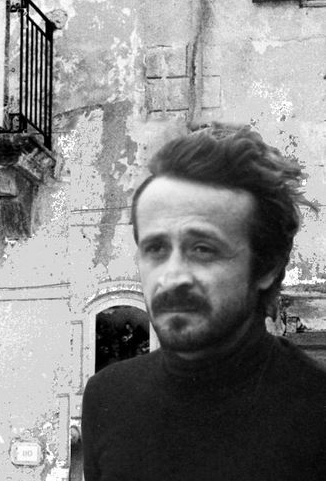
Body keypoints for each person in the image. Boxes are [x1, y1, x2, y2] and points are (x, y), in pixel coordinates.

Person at [82, 123, 326, 481]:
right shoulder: (107, 398)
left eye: (203, 249)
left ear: (267, 267)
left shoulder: (316, 410)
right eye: (156, 248)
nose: (172, 276)